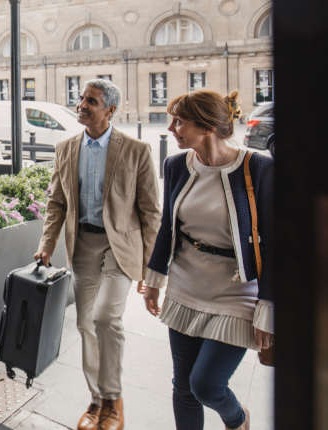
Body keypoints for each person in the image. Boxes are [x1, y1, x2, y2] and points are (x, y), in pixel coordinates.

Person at [141, 90, 274, 430]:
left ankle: (237, 418)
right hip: (186, 286)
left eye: (180, 121)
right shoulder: (175, 165)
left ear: (208, 126)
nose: (172, 128)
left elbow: (278, 243)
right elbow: (167, 229)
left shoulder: (258, 168)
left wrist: (269, 306)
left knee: (207, 385)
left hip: (237, 292)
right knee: (183, 387)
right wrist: (154, 281)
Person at [34, 79, 161, 430]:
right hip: (82, 246)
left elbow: (151, 212)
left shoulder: (136, 150)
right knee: (85, 324)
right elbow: (56, 202)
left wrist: (152, 272)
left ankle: (114, 400)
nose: (82, 105)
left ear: (110, 110)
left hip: (120, 246)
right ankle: (97, 401)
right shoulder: (66, 148)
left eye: (92, 100)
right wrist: (47, 244)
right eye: (82, 99)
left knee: (106, 318)